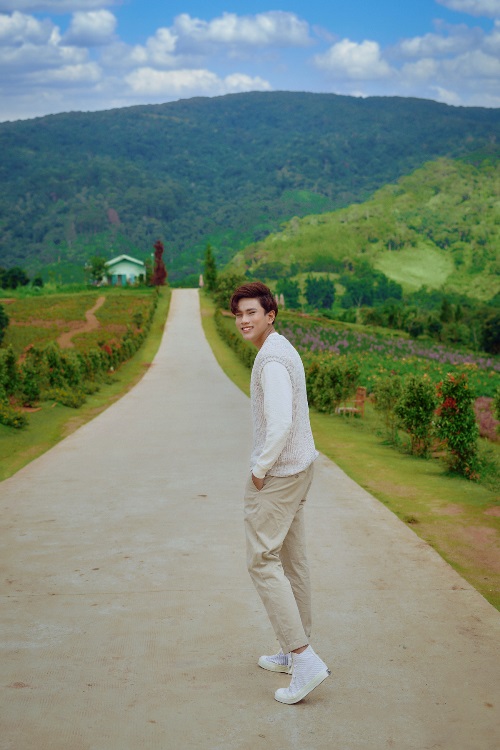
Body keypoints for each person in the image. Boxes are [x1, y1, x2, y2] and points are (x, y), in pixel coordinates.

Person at [230, 281, 330, 705]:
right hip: (300, 468)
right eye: (238, 314)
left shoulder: (271, 359)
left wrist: (259, 469)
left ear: (270, 314)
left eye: (251, 312)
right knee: (293, 562)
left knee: (261, 561)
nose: (243, 320)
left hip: (280, 475)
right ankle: (294, 652)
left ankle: (304, 659)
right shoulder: (281, 347)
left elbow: (281, 424)